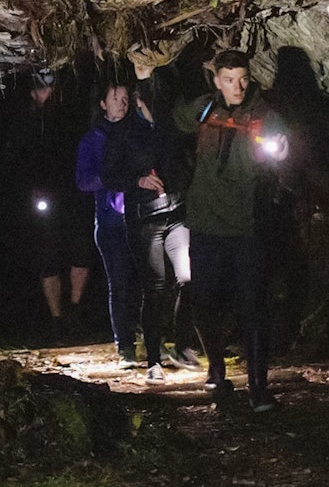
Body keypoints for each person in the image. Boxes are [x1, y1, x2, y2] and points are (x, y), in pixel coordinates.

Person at [173, 49, 288, 410]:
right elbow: (171, 117)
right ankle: (218, 371)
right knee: (204, 303)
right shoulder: (205, 108)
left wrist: (282, 152)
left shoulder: (264, 114)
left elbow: (282, 144)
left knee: (253, 305)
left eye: (243, 78)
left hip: (246, 227)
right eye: (229, 80)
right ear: (217, 80)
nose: (237, 87)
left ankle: (257, 387)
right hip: (206, 224)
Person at [103, 62, 201, 382]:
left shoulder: (170, 127)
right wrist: (138, 180)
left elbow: (187, 159)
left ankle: (183, 345)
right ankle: (154, 358)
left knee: (188, 277)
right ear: (140, 100)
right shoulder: (123, 132)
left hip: (176, 214)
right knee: (156, 288)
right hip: (145, 220)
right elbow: (109, 175)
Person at [6, 68, 93, 344]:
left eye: (52, 88)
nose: (50, 93)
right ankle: (56, 319)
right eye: (44, 88)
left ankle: (76, 311)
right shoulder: (26, 123)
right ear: (33, 93)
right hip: (44, 199)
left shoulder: (70, 115)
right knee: (49, 259)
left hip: (75, 193)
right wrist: (29, 193)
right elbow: (17, 162)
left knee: (81, 253)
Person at [75, 80, 137, 367]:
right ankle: (124, 344)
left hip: (140, 218)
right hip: (111, 223)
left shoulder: (138, 131)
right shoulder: (92, 140)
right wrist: (108, 176)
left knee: (150, 281)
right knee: (120, 282)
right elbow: (83, 181)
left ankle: (154, 339)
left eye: (125, 99)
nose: (121, 104)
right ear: (103, 103)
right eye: (115, 98)